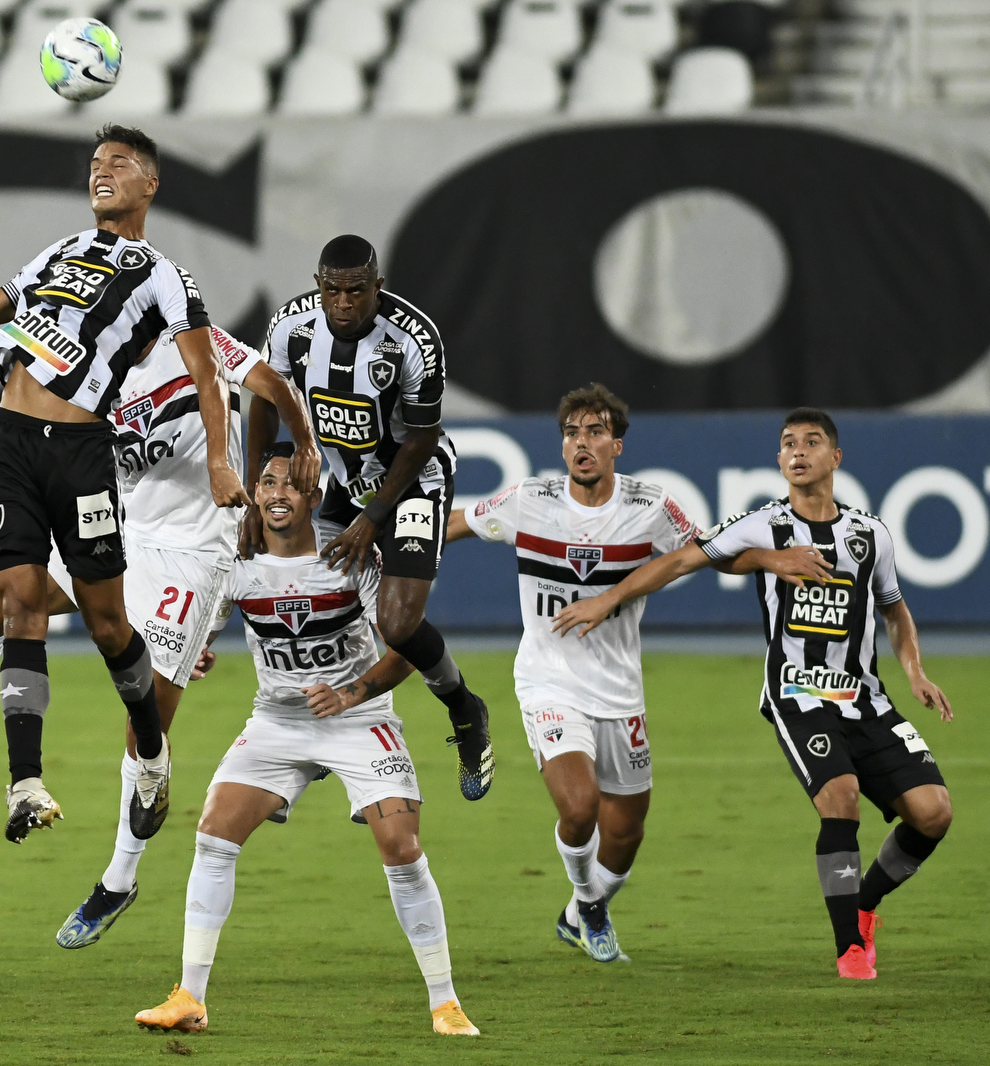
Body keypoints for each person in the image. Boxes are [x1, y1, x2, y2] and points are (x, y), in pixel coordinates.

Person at [0, 126, 318, 842]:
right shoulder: (61, 253)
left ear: (150, 184)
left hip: (93, 469)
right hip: (13, 443)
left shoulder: (165, 281)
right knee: (8, 597)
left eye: (119, 163)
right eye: (96, 162)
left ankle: (151, 757)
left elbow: (213, 375)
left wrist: (228, 465)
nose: (101, 171)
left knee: (108, 629)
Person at [0, 325, 321, 946]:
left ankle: (119, 879)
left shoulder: (194, 338)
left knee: (146, 722)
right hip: (120, 528)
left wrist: (304, 443)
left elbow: (273, 385)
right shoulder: (90, 356)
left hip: (191, 554)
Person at [552, 408, 955, 980]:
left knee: (934, 814)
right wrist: (607, 599)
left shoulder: (871, 534)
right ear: (778, 459)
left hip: (866, 700)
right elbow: (679, 560)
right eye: (788, 443)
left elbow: (894, 609)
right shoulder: (763, 525)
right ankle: (849, 949)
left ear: (835, 458)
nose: (798, 451)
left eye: (812, 442)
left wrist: (914, 671)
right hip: (797, 697)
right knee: (840, 797)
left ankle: (863, 906)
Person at [133, 443, 480, 1038]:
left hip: (358, 720)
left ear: (314, 495)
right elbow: (202, 627)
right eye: (267, 483)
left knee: (401, 848)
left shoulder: (349, 554)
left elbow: (406, 647)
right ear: (255, 494)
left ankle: (445, 1004)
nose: (276, 494)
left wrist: (352, 693)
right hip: (277, 721)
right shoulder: (234, 561)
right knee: (213, 834)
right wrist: (197, 652)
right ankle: (190, 996)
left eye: (290, 484)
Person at [445, 383, 714, 962]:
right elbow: (458, 522)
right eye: (571, 433)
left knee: (626, 830)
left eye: (595, 432)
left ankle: (577, 913)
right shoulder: (530, 499)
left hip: (619, 690)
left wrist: (773, 557)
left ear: (617, 445)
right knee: (579, 807)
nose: (581, 443)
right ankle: (591, 905)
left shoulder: (650, 507)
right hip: (548, 680)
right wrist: (381, 538)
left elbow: (706, 550)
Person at [250, 234, 493, 803]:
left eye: (357, 291)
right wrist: (254, 490)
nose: (343, 302)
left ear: (377, 286)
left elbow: (423, 436)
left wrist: (372, 518)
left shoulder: (414, 338)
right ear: (318, 286)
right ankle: (328, 729)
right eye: (332, 291)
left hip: (412, 481)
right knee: (307, 590)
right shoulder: (290, 326)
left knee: (399, 624)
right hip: (341, 478)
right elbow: (263, 399)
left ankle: (466, 710)